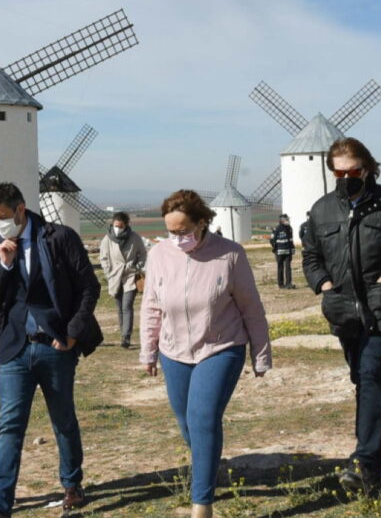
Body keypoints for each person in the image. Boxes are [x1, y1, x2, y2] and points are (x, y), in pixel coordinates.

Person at [140, 190, 272, 518]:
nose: (177, 238)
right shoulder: (158, 255)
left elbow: (251, 307)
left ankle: (202, 503)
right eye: (171, 232)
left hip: (220, 347)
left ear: (201, 223)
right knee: (187, 422)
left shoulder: (230, 254)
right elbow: (151, 306)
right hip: (174, 351)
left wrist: (261, 353)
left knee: (202, 417)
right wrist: (149, 351)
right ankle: (209, 463)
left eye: (183, 231)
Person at [301, 138, 381, 495]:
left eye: (353, 170)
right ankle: (375, 462)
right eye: (338, 172)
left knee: (370, 375)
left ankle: (364, 462)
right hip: (342, 310)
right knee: (362, 379)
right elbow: (311, 256)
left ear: (367, 167)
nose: (346, 177)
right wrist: (323, 285)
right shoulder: (321, 210)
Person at [0, 183, 103, 518]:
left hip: (56, 346)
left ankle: (72, 485)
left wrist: (73, 333)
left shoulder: (59, 237)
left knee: (63, 420)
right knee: (9, 426)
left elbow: (89, 287)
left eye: (2, 217)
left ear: (20, 209)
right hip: (16, 348)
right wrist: (4, 266)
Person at [99, 211, 147, 348]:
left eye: (120, 226)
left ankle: (126, 336)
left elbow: (143, 253)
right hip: (114, 277)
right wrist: (108, 271)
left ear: (126, 225)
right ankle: (122, 334)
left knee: (127, 306)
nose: (117, 228)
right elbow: (103, 257)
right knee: (119, 308)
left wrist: (138, 266)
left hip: (130, 276)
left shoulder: (135, 237)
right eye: (115, 225)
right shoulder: (107, 239)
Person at [270, 214, 295, 289]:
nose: (288, 221)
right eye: (286, 219)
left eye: (288, 219)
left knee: (288, 267)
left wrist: (292, 249)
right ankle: (281, 284)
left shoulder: (289, 228)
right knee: (280, 267)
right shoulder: (276, 229)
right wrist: (275, 248)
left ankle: (288, 284)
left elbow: (291, 240)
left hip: (288, 252)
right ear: (282, 220)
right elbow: (272, 240)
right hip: (279, 252)